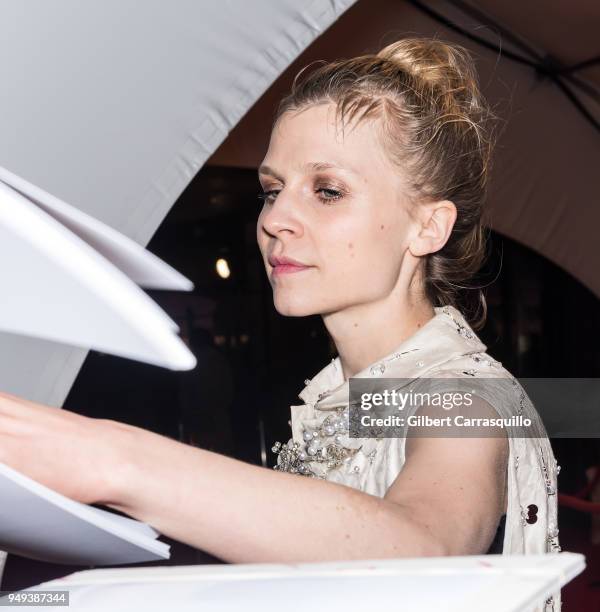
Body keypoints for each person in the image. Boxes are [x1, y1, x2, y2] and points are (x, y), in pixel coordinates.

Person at [0, 37, 559, 610]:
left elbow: (425, 549)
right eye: (272, 190)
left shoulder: (464, 397)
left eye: (327, 190)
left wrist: (110, 459)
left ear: (428, 228)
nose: (275, 219)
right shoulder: (368, 394)